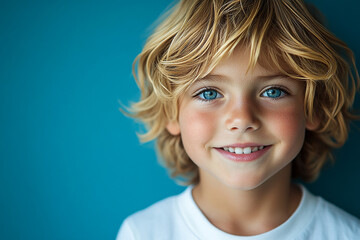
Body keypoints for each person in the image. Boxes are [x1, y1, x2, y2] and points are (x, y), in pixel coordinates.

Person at [117, 0, 360, 239]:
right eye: (209, 93)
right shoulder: (142, 233)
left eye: (273, 91)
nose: (242, 119)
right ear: (171, 112)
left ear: (313, 107)